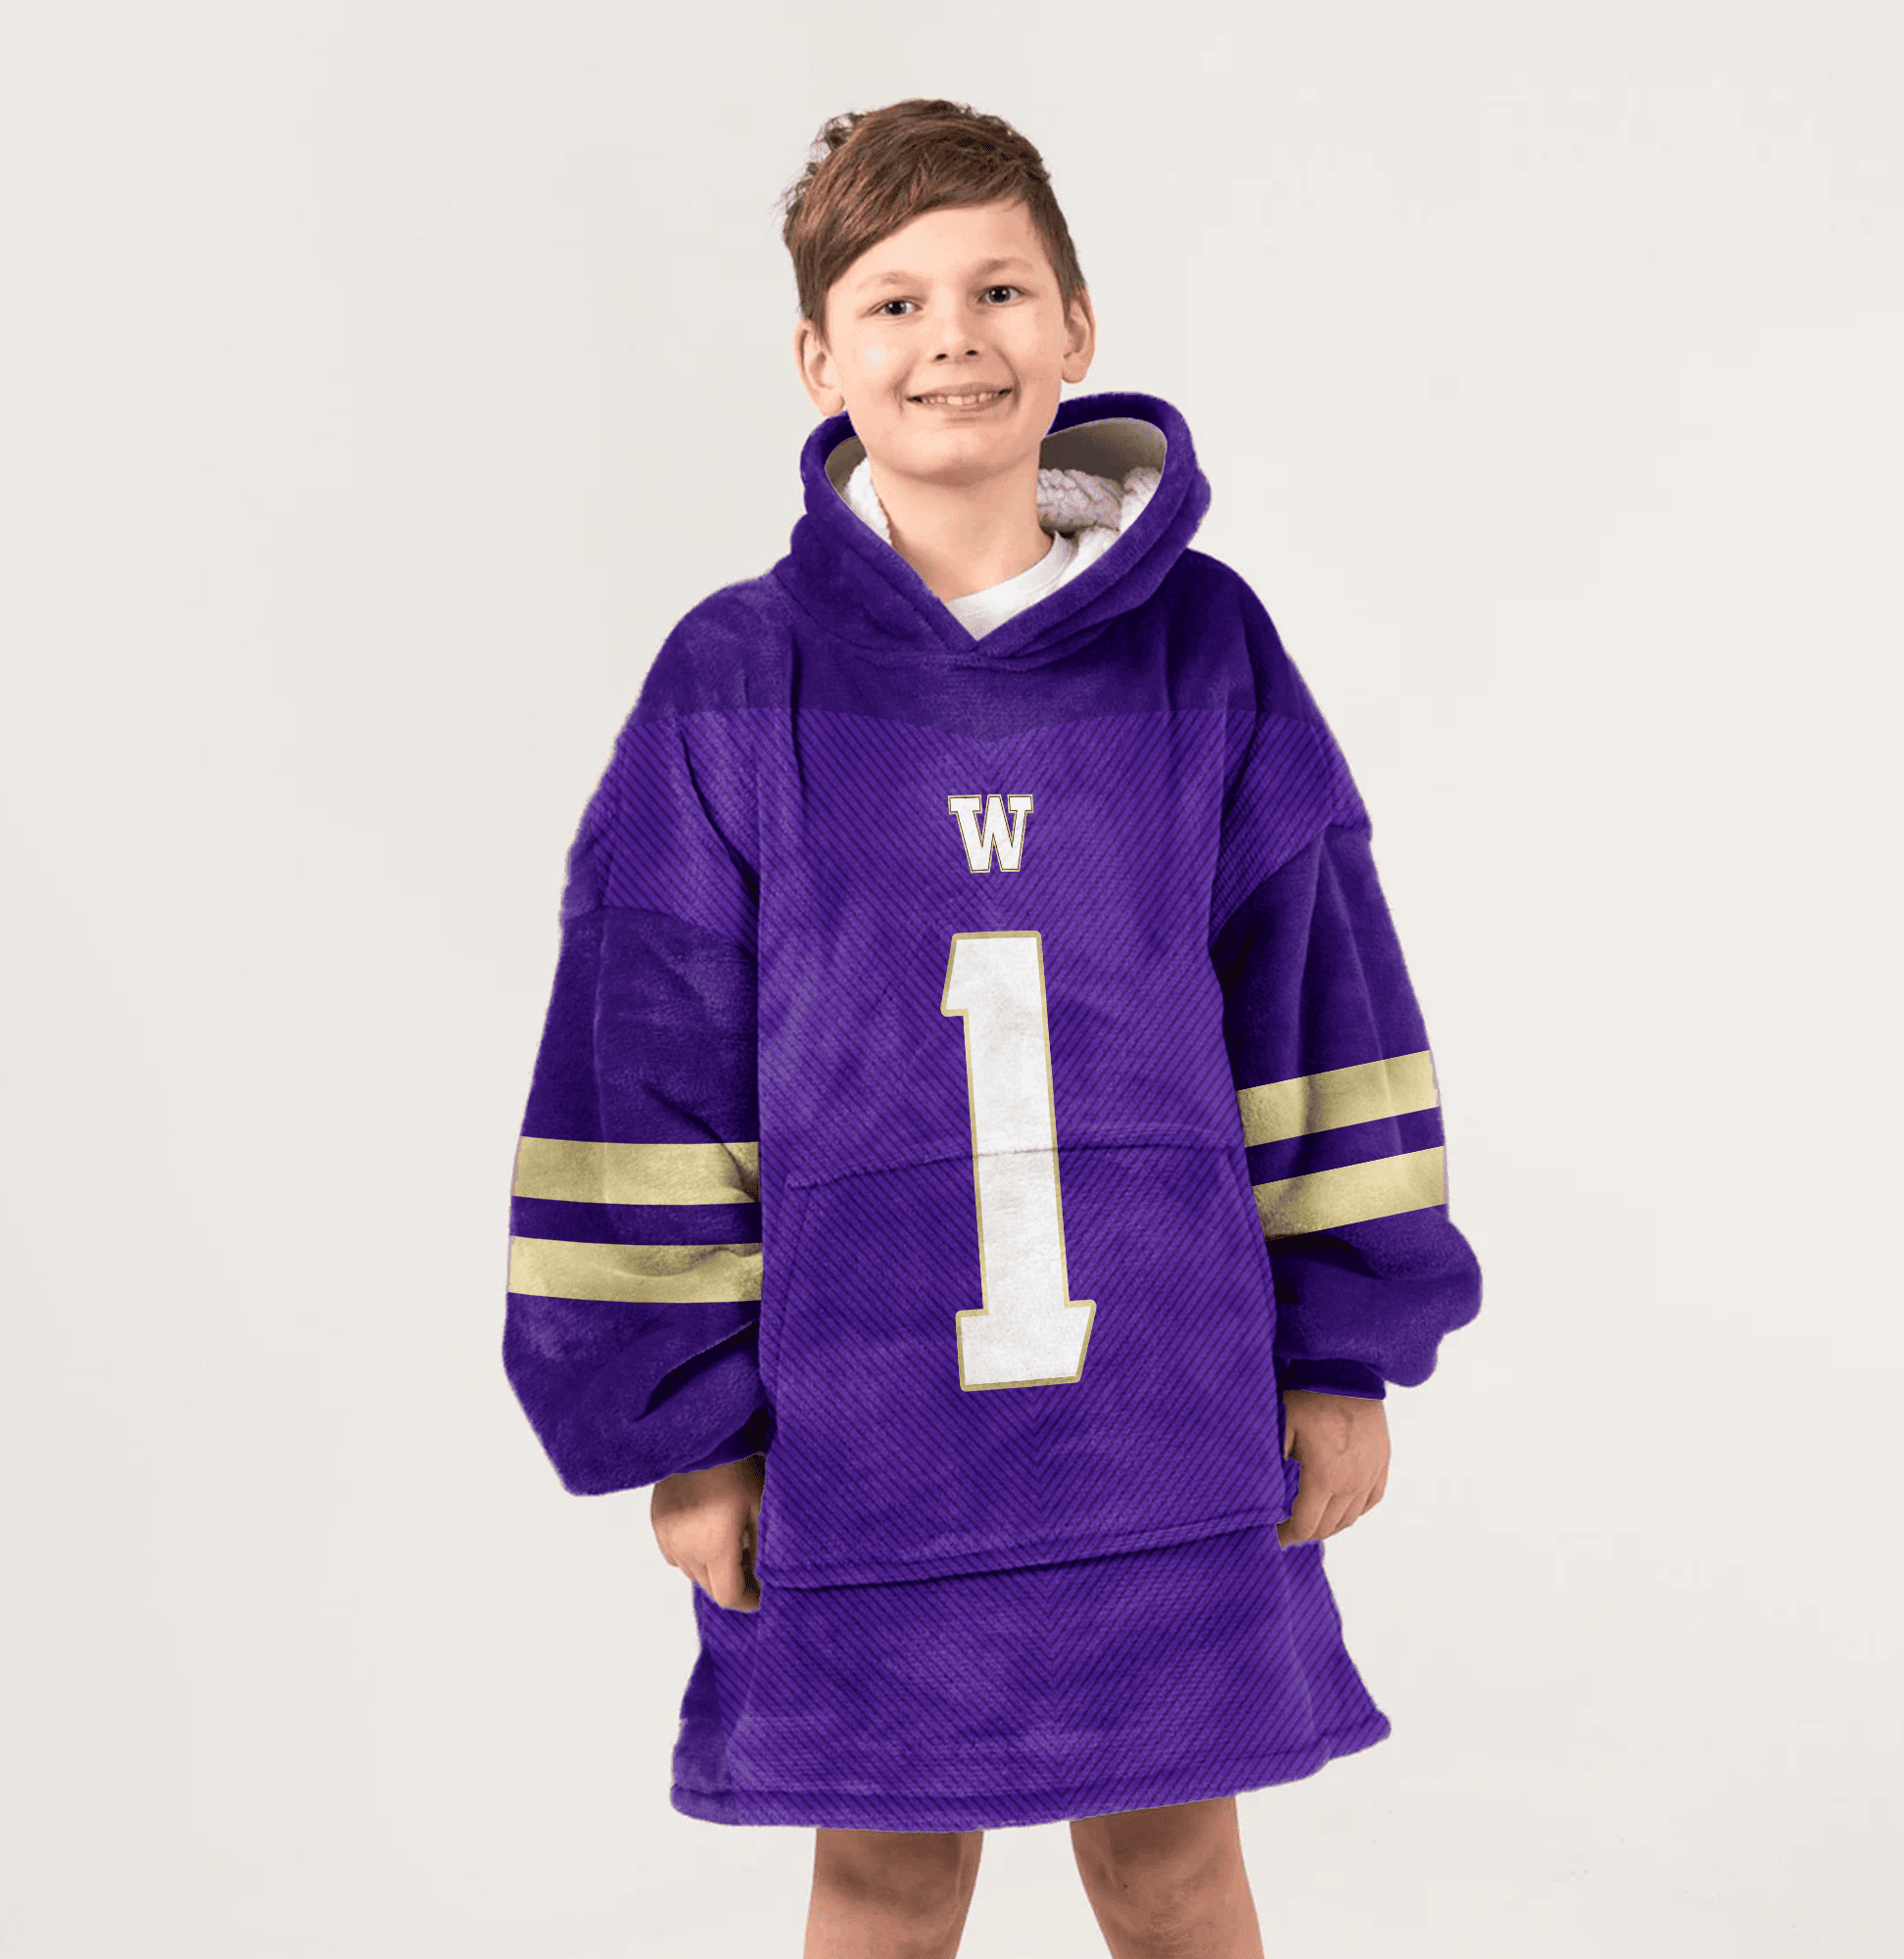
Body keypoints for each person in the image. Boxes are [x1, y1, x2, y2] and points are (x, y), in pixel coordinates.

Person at [502, 97, 1482, 1959]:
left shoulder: (1207, 651)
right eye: (894, 303)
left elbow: (1318, 1002)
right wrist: (687, 1430)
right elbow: (643, 1065)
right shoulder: (734, 683)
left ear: (1078, 327)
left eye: (999, 289)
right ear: (819, 360)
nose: (951, 337)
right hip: (858, 1429)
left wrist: (1347, 1346)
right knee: (884, 1875)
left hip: (1163, 1411)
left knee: (1172, 1865)